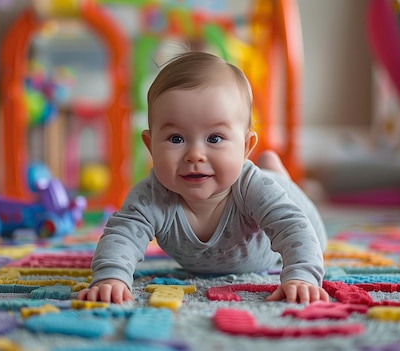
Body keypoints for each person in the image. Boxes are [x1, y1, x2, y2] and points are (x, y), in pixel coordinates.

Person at [78, 51, 329, 304]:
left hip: (295, 210)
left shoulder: (253, 188)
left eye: (214, 139)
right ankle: (271, 167)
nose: (195, 155)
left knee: (286, 198)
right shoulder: (153, 195)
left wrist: (302, 276)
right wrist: (111, 277)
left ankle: (275, 172)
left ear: (245, 147)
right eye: (176, 139)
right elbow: (123, 235)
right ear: (150, 145)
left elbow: (292, 227)